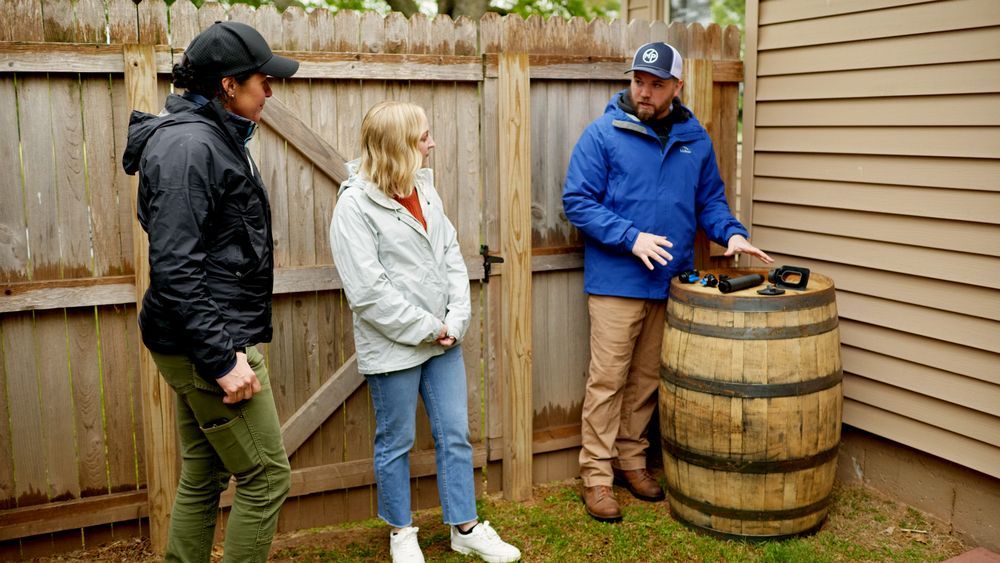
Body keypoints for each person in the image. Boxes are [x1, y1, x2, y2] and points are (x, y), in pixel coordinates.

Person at [562, 42, 773, 523]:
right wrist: (630, 237)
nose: (645, 92)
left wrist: (732, 234)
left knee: (646, 382)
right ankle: (596, 476)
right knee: (607, 381)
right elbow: (577, 201)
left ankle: (631, 462)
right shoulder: (603, 135)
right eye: (639, 81)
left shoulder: (694, 138)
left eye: (657, 84)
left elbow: (710, 202)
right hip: (617, 281)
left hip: (669, 282)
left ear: (678, 87)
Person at [122, 20, 298, 562]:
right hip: (207, 344)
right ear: (228, 84)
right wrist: (222, 359)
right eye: (262, 80)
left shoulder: (215, 136)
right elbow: (176, 268)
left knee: (203, 474)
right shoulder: (189, 147)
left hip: (203, 335)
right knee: (267, 478)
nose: (270, 90)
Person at [330, 101, 521, 563]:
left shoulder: (427, 192)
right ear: (399, 146)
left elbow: (451, 257)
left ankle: (465, 527)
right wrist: (429, 327)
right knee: (395, 442)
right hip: (395, 346)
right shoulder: (354, 207)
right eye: (424, 137)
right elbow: (369, 293)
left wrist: (455, 320)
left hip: (442, 342)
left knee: (455, 433)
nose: (432, 143)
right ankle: (401, 533)